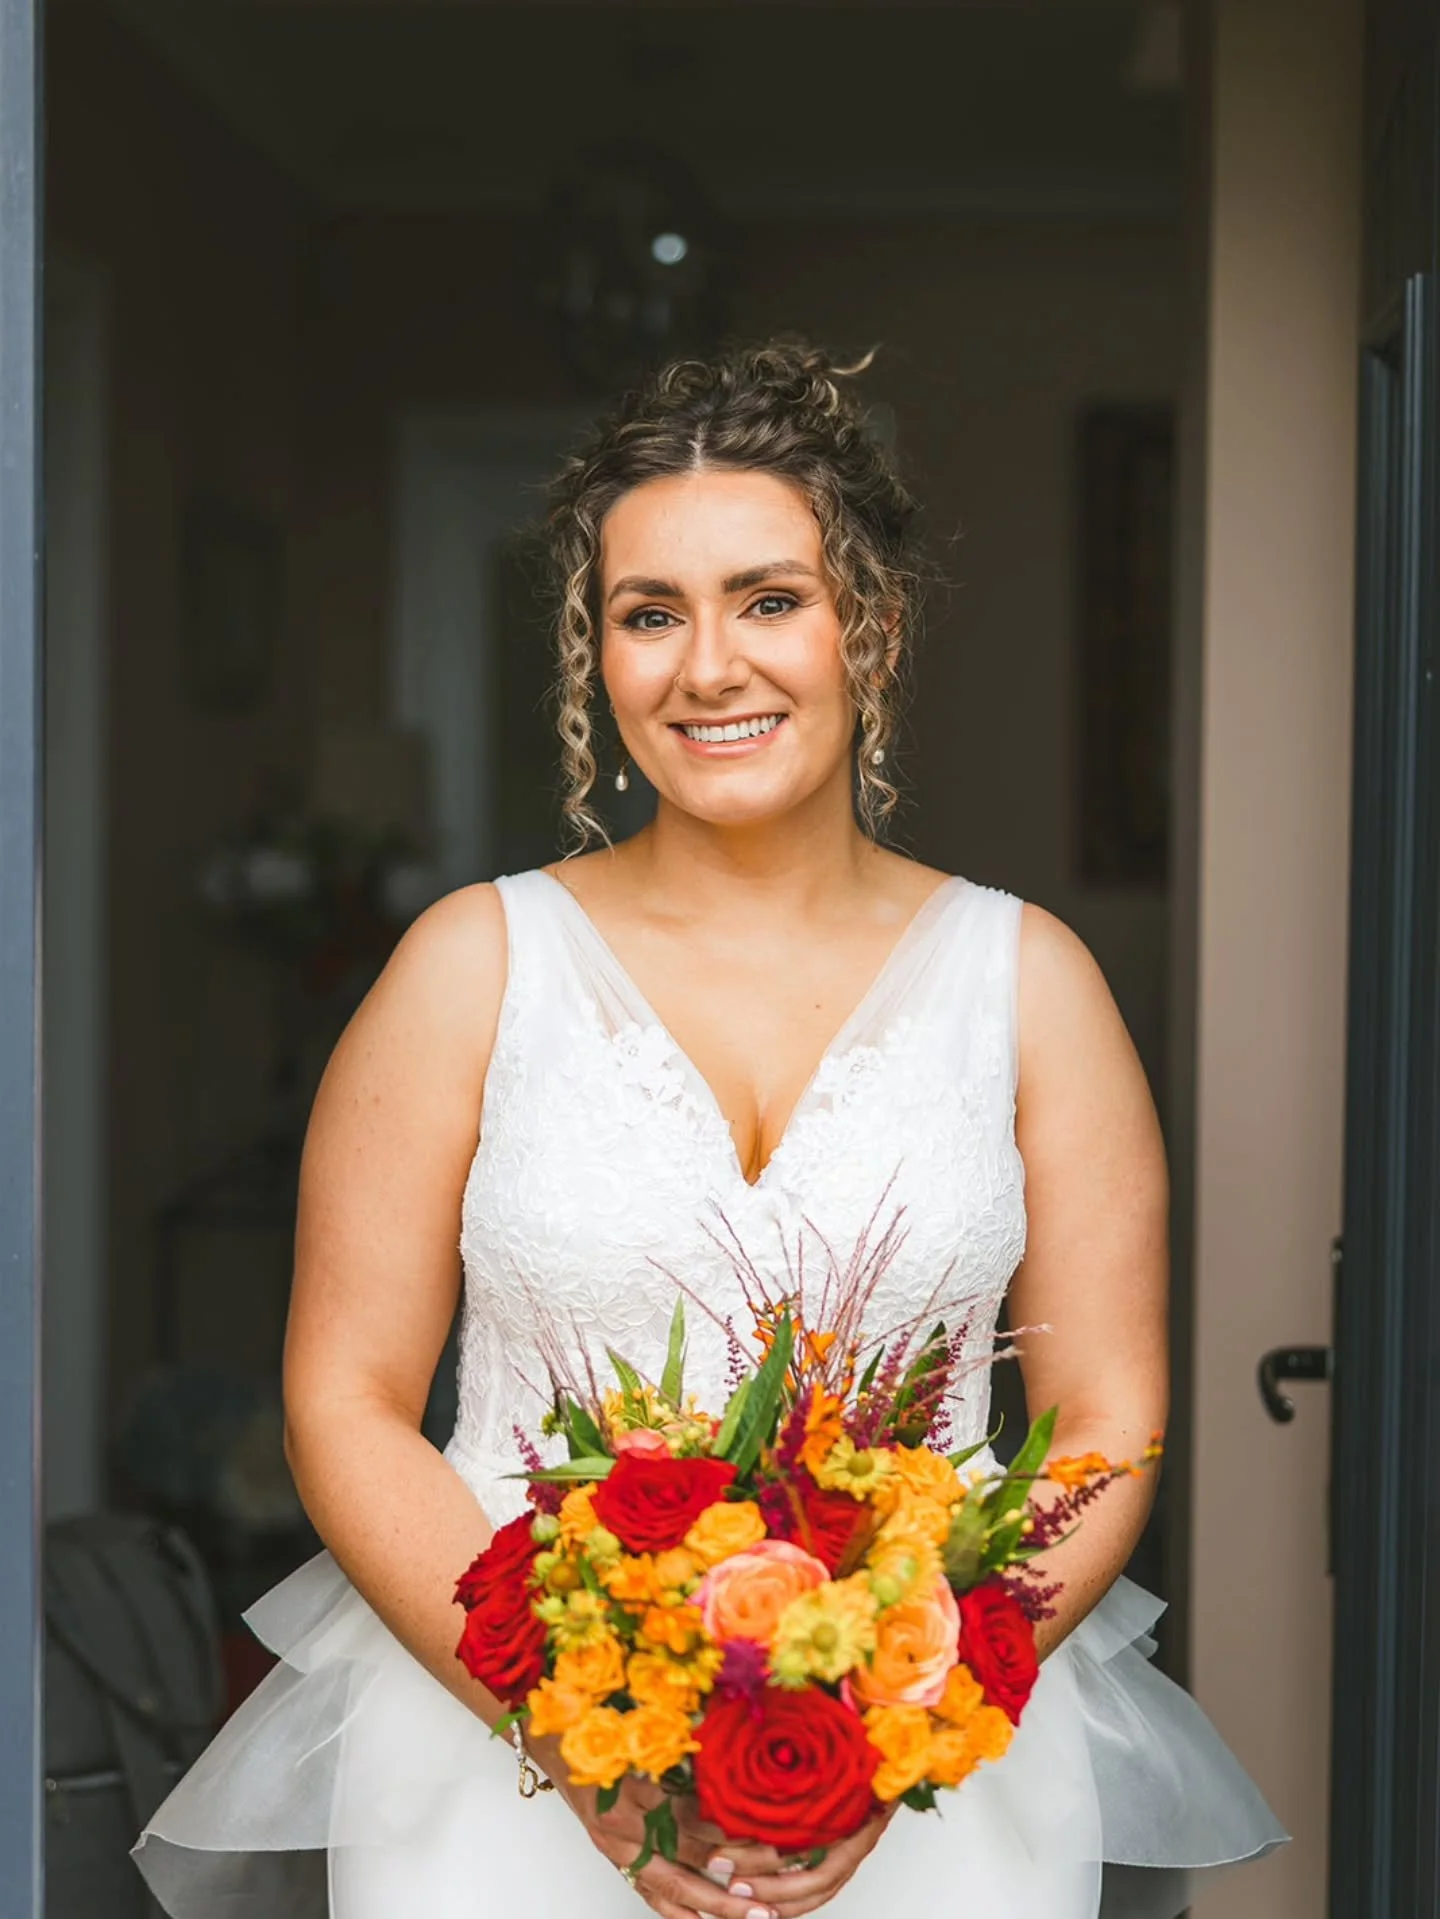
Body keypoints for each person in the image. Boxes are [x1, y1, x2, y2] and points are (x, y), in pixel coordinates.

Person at [134, 341, 1285, 1919]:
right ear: (594, 651)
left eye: (769, 599)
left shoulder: (1032, 984)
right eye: (650, 613)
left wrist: (897, 1723)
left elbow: (1105, 1417)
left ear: (871, 625)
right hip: (501, 1763)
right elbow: (344, 1400)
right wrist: (570, 1730)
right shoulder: (469, 968)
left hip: (930, 1783)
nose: (708, 667)